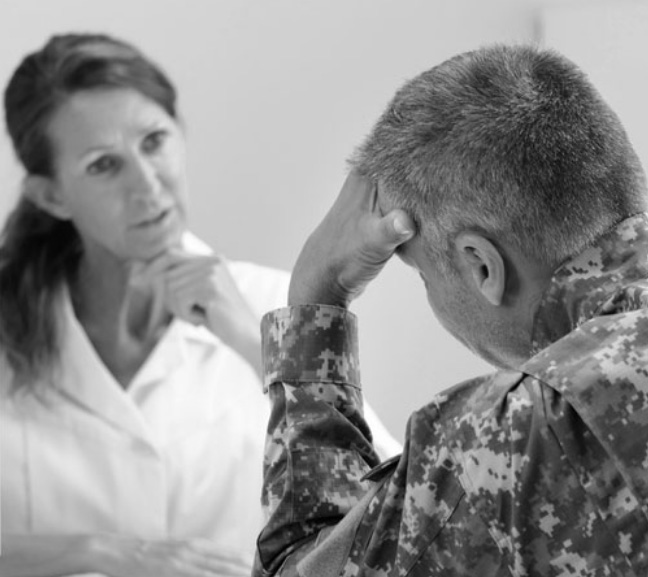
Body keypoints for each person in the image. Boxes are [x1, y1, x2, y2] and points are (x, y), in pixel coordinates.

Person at [0, 33, 400, 577]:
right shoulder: (10, 329)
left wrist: (253, 340)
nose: (148, 185)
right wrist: (100, 553)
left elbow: (397, 514)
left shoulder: (276, 306)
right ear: (51, 195)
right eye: (103, 165)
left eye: (153, 141)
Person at [254, 44, 648, 576]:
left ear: (482, 265)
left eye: (421, 272)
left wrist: (315, 298)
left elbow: (296, 569)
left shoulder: (525, 430)